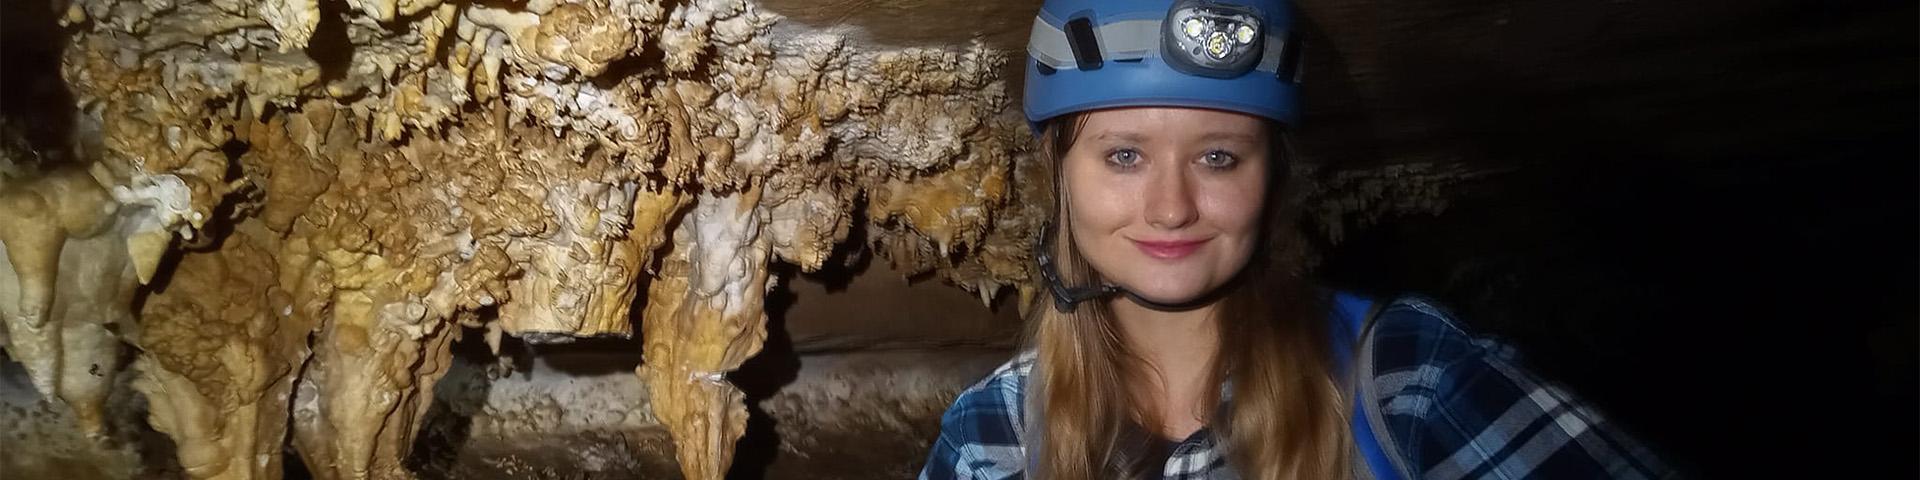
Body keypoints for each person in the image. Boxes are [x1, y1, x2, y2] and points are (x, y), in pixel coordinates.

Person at [919, 0, 1673, 478]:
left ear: (1272, 179)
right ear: (1059, 176)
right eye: (1124, 155)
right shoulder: (994, 437)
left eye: (1219, 157)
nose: (1173, 207)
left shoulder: (1405, 379)